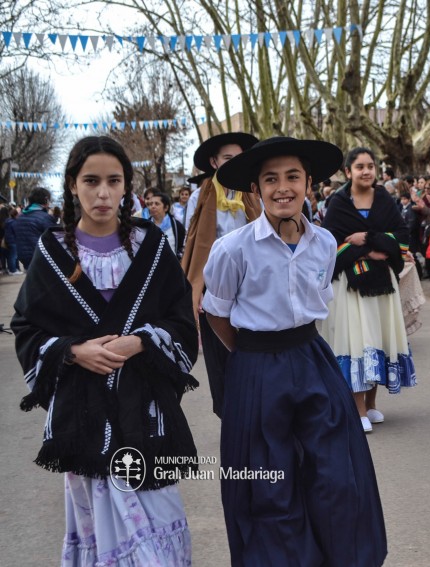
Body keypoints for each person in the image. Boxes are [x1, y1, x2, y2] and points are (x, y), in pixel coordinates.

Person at [12, 136, 198, 565]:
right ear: (73, 185)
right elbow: (26, 328)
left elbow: (182, 323)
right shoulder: (52, 251)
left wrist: (141, 341)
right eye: (91, 180)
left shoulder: (152, 246)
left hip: (147, 416)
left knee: (160, 536)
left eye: (114, 181)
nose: (103, 193)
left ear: (126, 187)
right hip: (85, 418)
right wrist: (74, 352)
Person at [202, 136, 387, 565]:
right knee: (270, 484)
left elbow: (318, 300)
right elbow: (216, 312)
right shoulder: (232, 249)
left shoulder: (324, 244)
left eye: (292, 177)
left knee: (337, 474)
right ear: (255, 190)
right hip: (254, 367)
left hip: (311, 359)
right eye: (270, 179)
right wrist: (251, 354)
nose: (282, 187)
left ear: (309, 183)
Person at [319, 147, 416, 433]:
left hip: (382, 284)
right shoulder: (338, 203)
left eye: (370, 166)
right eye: (359, 166)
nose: (366, 171)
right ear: (348, 172)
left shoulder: (384, 198)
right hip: (350, 286)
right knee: (357, 341)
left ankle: (371, 405)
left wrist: (369, 240)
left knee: (377, 338)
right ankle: (357, 408)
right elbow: (330, 247)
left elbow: (402, 238)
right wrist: (368, 251)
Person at [181, 132, 261, 417]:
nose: (233, 163)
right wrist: (197, 289)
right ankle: (229, 414)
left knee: (252, 351)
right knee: (220, 357)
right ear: (214, 162)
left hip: (251, 285)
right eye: (228, 158)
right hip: (213, 287)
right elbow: (192, 244)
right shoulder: (199, 197)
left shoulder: (254, 194)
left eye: (238, 158)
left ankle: (255, 412)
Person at [15, 187, 56, 269]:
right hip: (42, 258)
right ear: (45, 200)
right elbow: (54, 240)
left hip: (24, 257)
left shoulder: (20, 217)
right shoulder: (45, 217)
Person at [149, 192, 186, 258]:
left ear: (166, 208)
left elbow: (181, 249)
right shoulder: (145, 226)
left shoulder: (177, 227)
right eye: (151, 204)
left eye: (157, 204)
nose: (153, 206)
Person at [3, 207, 22, 274]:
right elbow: (16, 231)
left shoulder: (8, 221)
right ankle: (13, 270)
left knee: (11, 256)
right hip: (13, 240)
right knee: (13, 256)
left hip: (8, 240)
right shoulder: (14, 222)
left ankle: (12, 269)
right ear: (16, 215)